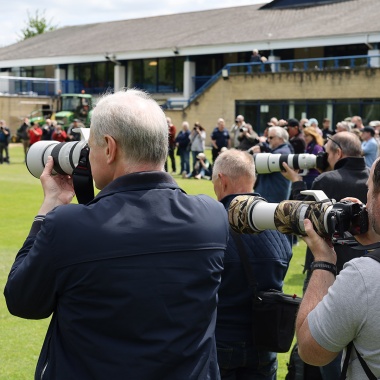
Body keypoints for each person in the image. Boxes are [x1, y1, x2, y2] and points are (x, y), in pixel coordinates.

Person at [4, 89, 229, 380]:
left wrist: (49, 207)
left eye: (91, 147)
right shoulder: (211, 217)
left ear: (109, 148)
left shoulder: (68, 226)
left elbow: (22, 301)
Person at [282, 131, 370, 380]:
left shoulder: (326, 181)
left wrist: (297, 182)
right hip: (368, 273)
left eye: (327, 153)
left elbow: (302, 221)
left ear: (338, 153)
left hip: (327, 270)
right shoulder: (371, 180)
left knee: (319, 341)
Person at [296, 157, 380, 379]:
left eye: (369, 190)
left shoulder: (363, 277)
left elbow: (310, 350)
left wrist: (324, 260)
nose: (366, 200)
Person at [212, 149, 292, 380]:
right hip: (265, 339)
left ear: (222, 180)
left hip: (222, 338)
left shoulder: (214, 222)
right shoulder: (277, 224)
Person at [251, 126, 291, 202]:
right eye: (268, 138)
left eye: (271, 137)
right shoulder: (280, 151)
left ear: (281, 139)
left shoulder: (281, 153)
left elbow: (255, 165)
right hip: (271, 196)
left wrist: (254, 154)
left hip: (271, 198)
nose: (268, 140)